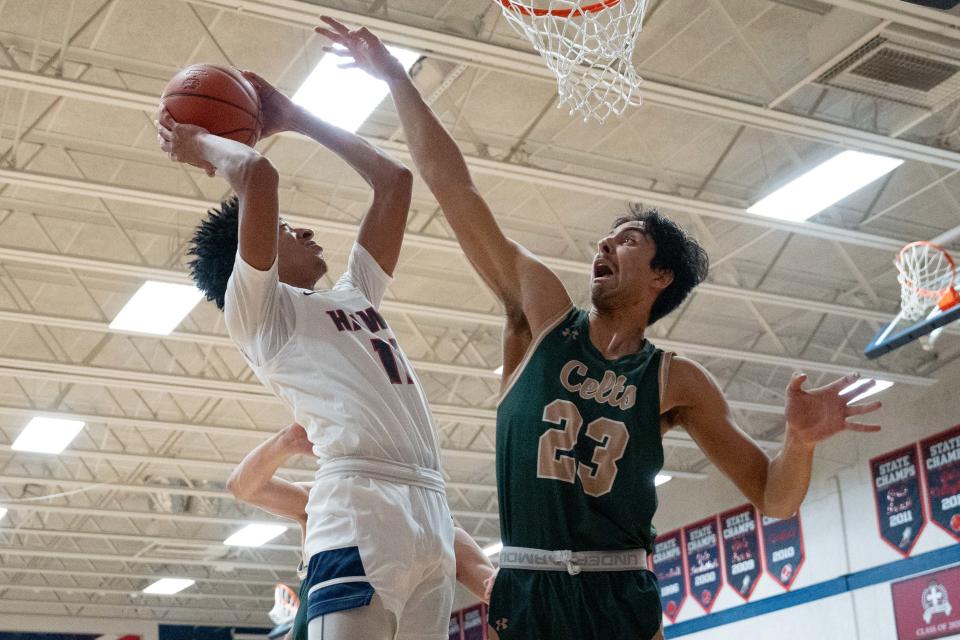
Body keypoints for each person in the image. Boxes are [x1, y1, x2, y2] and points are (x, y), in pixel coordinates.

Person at [315, 18, 885, 640]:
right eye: (605, 238)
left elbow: (774, 498)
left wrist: (798, 443)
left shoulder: (676, 379)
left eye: (627, 240)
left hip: (619, 593)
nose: (604, 246)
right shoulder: (542, 316)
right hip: (531, 586)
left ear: (661, 275)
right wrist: (397, 78)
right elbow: (455, 187)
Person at [157, 68, 466, 640]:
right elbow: (258, 174)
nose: (303, 233)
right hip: (357, 507)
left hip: (428, 503)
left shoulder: (356, 294)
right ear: (253, 254)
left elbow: (394, 182)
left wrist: (297, 118)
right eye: (285, 227)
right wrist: (193, 142)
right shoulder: (258, 312)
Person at [226, 424, 496, 640]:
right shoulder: (334, 498)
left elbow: (242, 487)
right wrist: (287, 440)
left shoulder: (432, 515)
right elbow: (244, 487)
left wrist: (287, 441)